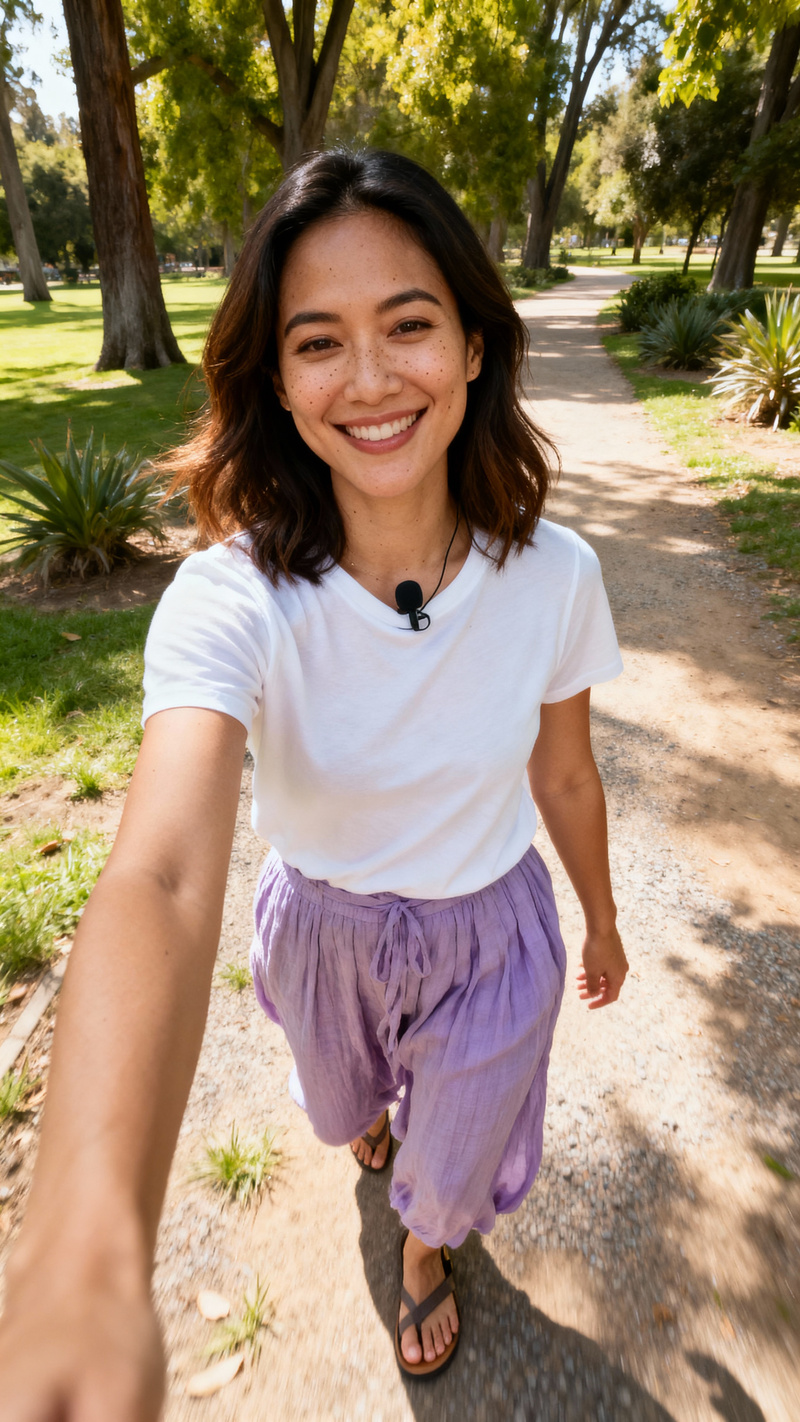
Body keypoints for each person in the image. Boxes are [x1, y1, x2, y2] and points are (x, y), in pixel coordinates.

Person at [0, 147, 628, 1413]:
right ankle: (373, 1135)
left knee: (447, 1161)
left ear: (472, 346)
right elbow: (162, 875)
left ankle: (423, 1246)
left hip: (490, 935)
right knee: (346, 1112)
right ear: (278, 384)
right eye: (318, 343)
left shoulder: (555, 574)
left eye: (409, 325)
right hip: (318, 934)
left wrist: (602, 919)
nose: (371, 379)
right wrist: (81, 1256)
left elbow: (564, 774)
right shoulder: (228, 599)